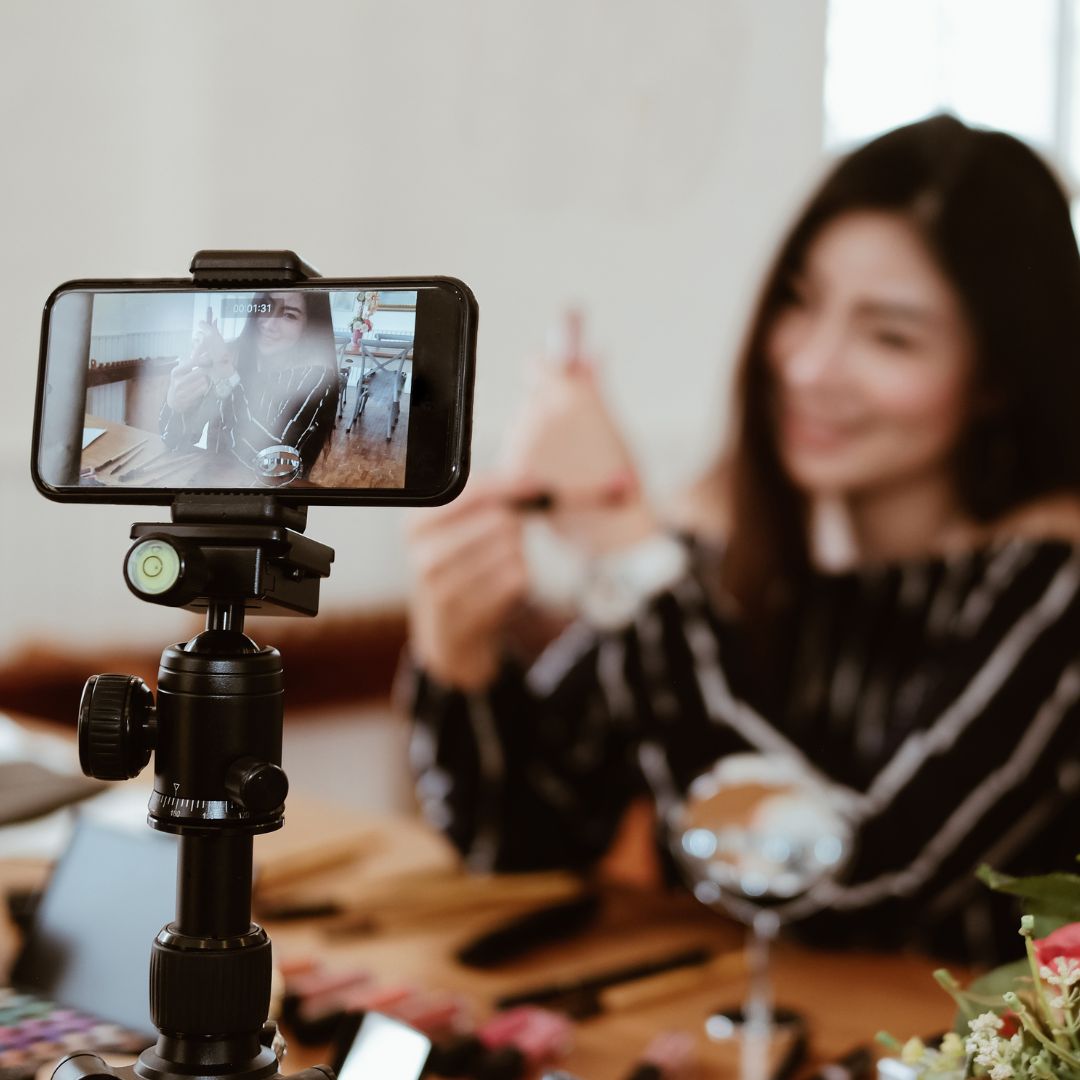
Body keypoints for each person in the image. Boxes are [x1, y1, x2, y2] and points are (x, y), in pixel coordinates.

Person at [404, 115, 1080, 965]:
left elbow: (853, 888)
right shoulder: (727, 553)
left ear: (997, 379)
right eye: (798, 301)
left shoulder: (1052, 588)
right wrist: (461, 654)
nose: (806, 365)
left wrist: (636, 561)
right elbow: (521, 841)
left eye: (890, 336)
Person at [161, 290, 340, 481]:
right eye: (266, 307)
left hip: (275, 503)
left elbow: (270, 467)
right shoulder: (232, 354)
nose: (269, 324)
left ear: (310, 325)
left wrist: (227, 375)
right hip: (214, 489)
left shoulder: (316, 376)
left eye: (289, 315)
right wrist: (176, 406)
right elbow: (176, 440)